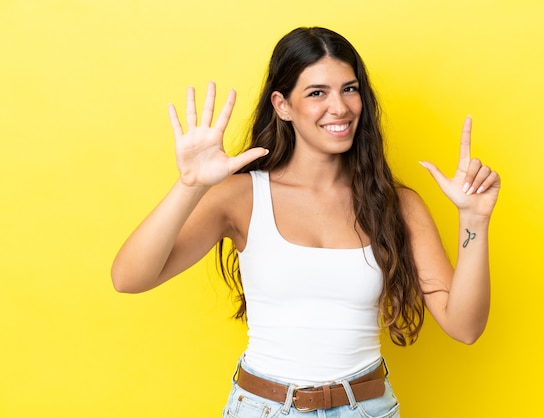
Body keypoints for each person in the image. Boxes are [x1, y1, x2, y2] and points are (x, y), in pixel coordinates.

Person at [111, 27, 500, 417]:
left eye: (349, 89)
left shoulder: (397, 205)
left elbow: (464, 327)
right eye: (317, 93)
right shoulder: (240, 196)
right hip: (263, 408)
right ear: (282, 105)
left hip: (365, 409)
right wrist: (189, 185)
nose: (341, 108)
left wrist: (474, 222)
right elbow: (129, 278)